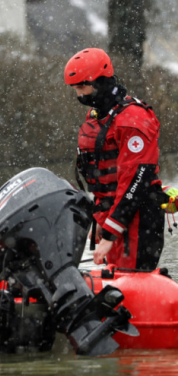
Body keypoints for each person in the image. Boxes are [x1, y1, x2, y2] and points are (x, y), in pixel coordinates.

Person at [64, 47, 165, 270]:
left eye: (82, 86)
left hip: (139, 217)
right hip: (114, 216)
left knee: (132, 281)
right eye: (75, 89)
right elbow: (102, 178)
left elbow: (136, 180)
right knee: (115, 285)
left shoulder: (133, 119)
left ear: (100, 81)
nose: (79, 95)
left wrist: (111, 232)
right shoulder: (98, 116)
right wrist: (101, 219)